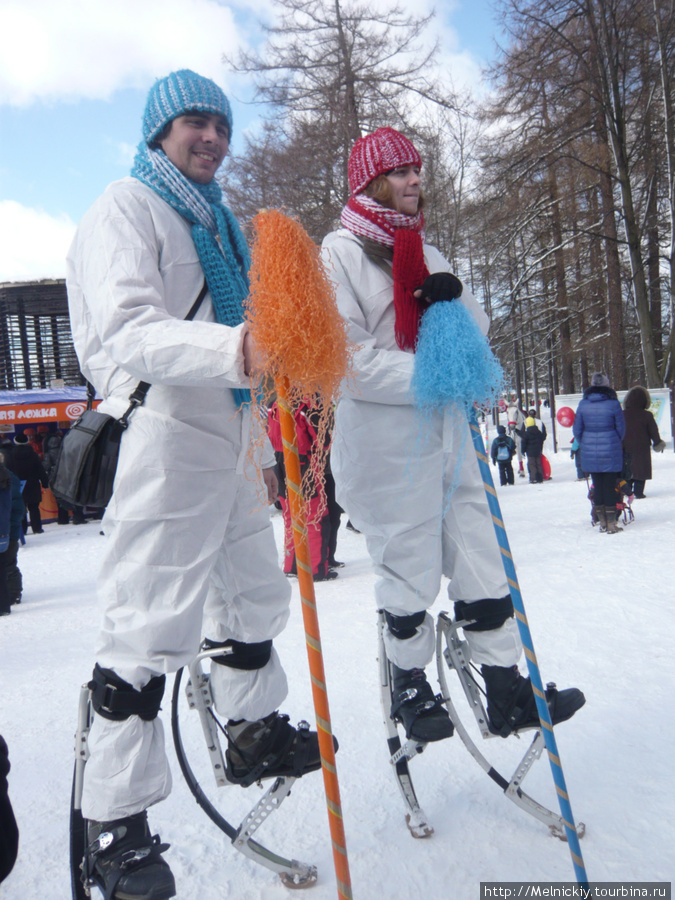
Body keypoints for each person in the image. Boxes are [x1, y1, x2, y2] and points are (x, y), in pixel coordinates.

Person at [66, 69, 327, 900]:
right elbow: (131, 329)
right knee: (146, 629)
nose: (211, 136)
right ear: (158, 131)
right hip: (165, 432)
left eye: (220, 123)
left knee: (251, 600)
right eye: (193, 122)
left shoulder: (219, 218)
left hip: (234, 431)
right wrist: (239, 351)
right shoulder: (127, 206)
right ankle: (117, 821)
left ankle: (249, 730)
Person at [321, 126, 584, 747]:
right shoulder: (339, 254)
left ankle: (506, 687)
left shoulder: (429, 251)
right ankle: (410, 684)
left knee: (480, 557)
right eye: (404, 171)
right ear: (372, 182)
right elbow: (349, 361)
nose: (417, 181)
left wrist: (454, 302)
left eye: (418, 170)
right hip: (386, 444)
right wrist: (435, 373)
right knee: (407, 565)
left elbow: (477, 334)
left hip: (450, 438)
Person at [268, 400, 338, 581]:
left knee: (291, 515)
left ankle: (291, 564)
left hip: (278, 461)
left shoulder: (275, 402)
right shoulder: (308, 405)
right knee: (314, 516)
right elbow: (322, 441)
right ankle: (316, 568)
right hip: (302, 462)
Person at [572, 373, 626, 534]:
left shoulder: (583, 404)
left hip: (589, 448)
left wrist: (586, 443)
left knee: (598, 485)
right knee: (609, 486)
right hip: (610, 447)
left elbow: (577, 430)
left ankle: (602, 521)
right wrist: (614, 441)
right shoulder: (613, 404)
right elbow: (621, 429)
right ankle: (611, 523)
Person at [622, 386, 666, 498]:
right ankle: (639, 492)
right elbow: (653, 432)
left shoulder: (622, 414)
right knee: (641, 469)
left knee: (627, 469)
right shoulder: (647, 415)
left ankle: (628, 490)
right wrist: (658, 443)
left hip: (625, 447)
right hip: (642, 448)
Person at [0, 450, 25, 611]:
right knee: (8, 563)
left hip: (8, 528)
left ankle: (14, 593)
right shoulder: (9, 476)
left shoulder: (7, 478)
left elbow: (16, 506)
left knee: (8, 563)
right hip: (9, 527)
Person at [11, 433, 48, 534]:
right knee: (34, 508)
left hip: (17, 485)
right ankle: (37, 528)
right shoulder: (33, 454)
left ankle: (22, 530)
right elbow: (40, 470)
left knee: (20, 508)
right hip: (32, 484)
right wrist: (45, 483)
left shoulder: (11, 455)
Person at [521, 415, 546, 483]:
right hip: (538, 451)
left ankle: (533, 478)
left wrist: (523, 451)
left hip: (530, 452)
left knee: (532, 465)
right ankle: (540, 478)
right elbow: (542, 439)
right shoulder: (538, 432)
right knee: (538, 464)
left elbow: (523, 443)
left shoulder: (526, 434)